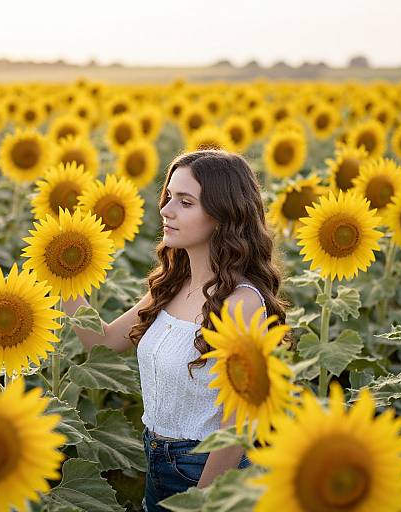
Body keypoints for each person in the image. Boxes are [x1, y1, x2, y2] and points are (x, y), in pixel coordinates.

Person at [63, 150, 288, 511]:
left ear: (222, 215)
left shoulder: (240, 303)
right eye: (168, 196)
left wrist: (203, 500)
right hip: (156, 459)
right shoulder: (171, 286)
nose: (166, 210)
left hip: (209, 470)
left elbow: (239, 426)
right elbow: (102, 342)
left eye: (185, 202)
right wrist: (65, 279)